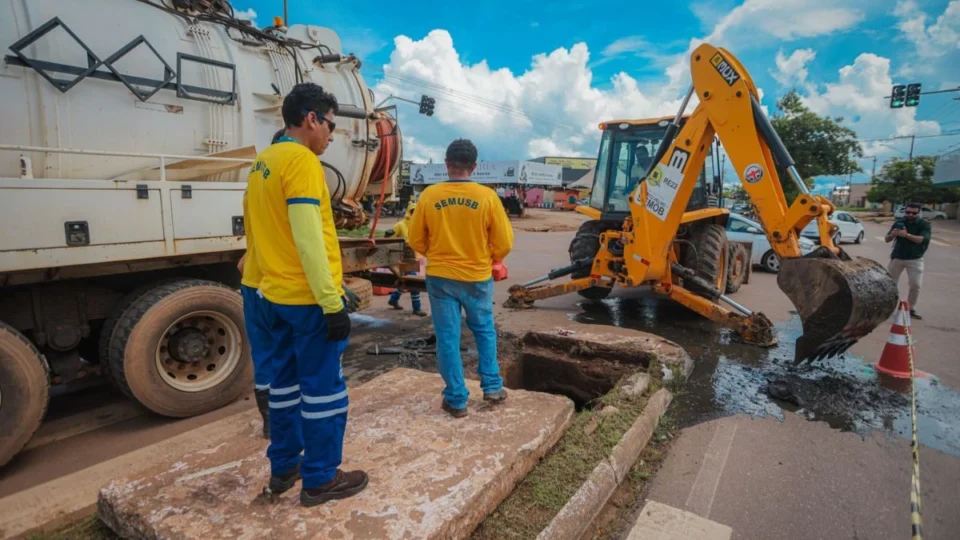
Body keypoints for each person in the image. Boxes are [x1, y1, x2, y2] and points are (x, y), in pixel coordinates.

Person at [246, 82, 367, 507]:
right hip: (306, 300)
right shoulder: (301, 162)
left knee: (282, 388)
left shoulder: (264, 161)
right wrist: (332, 302)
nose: (332, 136)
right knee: (323, 392)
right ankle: (320, 478)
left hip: (272, 296)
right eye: (331, 125)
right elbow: (308, 238)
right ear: (311, 119)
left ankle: (284, 467)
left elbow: (259, 235)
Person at [408, 139, 514, 418]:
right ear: (474, 167)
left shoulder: (430, 196)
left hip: (441, 277)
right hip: (477, 277)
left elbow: (416, 239)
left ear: (446, 164)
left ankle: (456, 400)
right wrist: (491, 257)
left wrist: (436, 251)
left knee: (447, 337)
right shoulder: (488, 197)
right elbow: (503, 243)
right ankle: (492, 386)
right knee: (484, 330)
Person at [238, 127, 288, 438]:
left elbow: (255, 231)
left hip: (252, 276)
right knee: (290, 353)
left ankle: (271, 422)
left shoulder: (253, 181)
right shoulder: (290, 177)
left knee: (264, 352)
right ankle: (286, 422)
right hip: (279, 280)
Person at [885, 202, 931, 320]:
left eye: (913, 213)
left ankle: (910, 308)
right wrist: (893, 234)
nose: (910, 214)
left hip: (915, 259)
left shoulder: (924, 224)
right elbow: (887, 239)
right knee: (889, 284)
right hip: (897, 257)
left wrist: (906, 235)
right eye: (908, 212)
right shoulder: (900, 222)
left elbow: (922, 239)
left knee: (915, 285)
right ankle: (887, 307)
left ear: (919, 213)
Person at [384, 202, 427, 316]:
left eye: (416, 211)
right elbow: (390, 237)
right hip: (404, 257)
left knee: (406, 281)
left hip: (416, 257)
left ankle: (393, 299)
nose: (415, 214)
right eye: (413, 211)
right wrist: (388, 234)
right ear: (409, 211)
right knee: (413, 282)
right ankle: (417, 308)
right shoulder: (401, 225)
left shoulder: (421, 224)